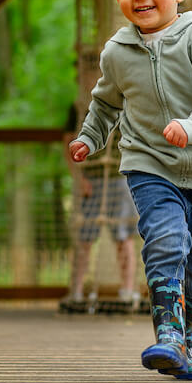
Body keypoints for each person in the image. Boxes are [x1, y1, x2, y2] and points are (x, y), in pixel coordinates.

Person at [68, 0, 192, 380]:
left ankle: (184, 341)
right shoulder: (117, 52)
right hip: (149, 165)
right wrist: (90, 137)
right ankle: (167, 334)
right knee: (166, 240)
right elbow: (106, 103)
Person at [62, 101, 139, 309]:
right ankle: (76, 291)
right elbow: (68, 141)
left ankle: (127, 291)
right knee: (84, 238)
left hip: (119, 176)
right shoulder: (78, 106)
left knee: (123, 237)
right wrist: (78, 178)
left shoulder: (122, 98)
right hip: (91, 178)